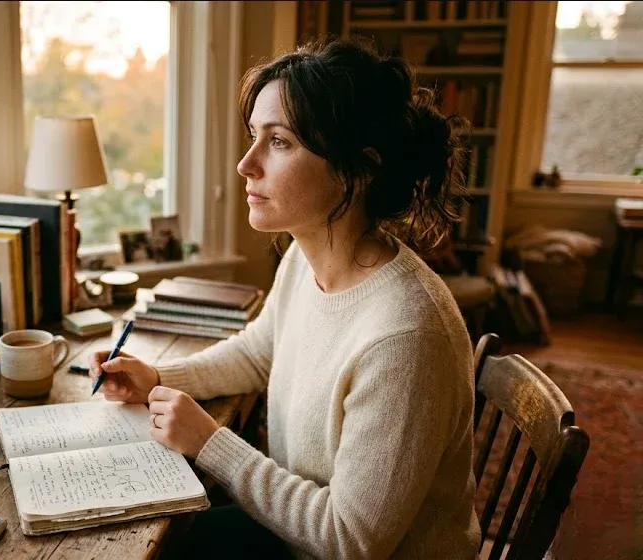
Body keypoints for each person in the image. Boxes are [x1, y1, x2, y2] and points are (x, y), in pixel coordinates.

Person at [90, 36, 481, 559]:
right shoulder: (305, 257)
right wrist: (159, 378)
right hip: (298, 538)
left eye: (279, 141)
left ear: (358, 171)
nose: (245, 164)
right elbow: (257, 352)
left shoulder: (405, 336)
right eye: (254, 136)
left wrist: (210, 441)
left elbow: (351, 540)